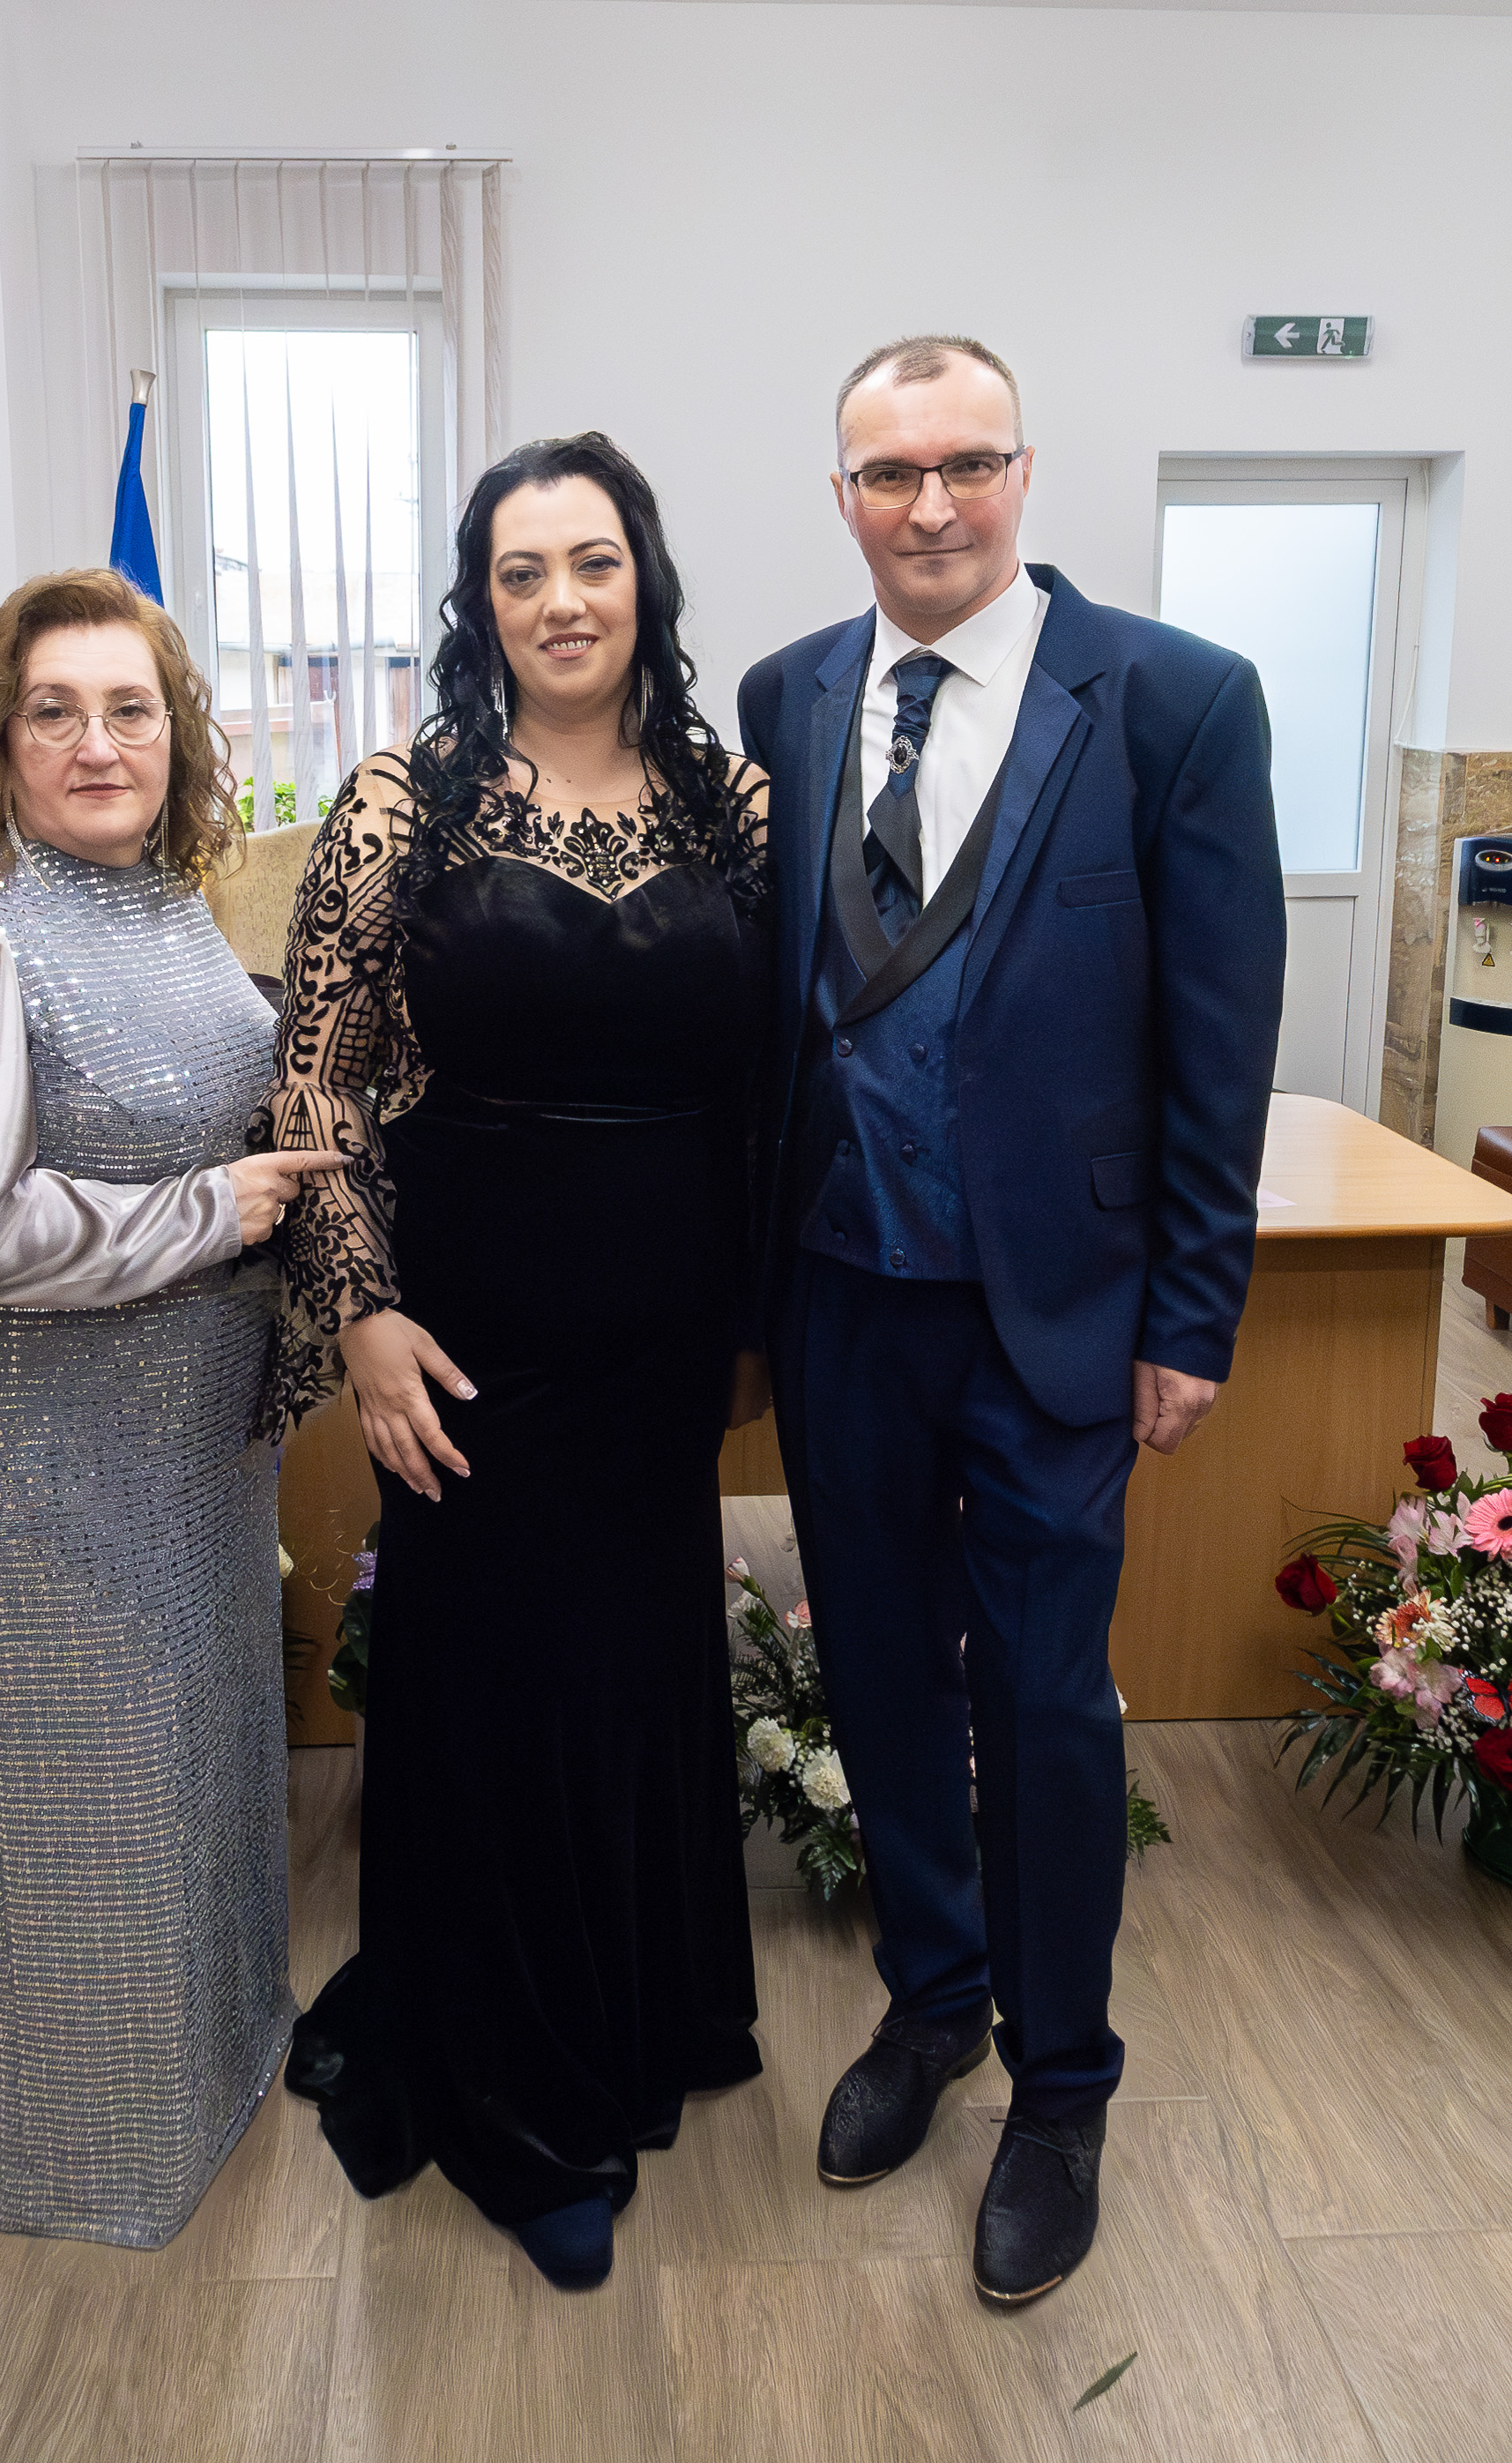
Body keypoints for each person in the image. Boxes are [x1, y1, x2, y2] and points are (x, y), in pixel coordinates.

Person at [738, 336, 1283, 2306]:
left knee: (1045, 1705)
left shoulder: (1173, 700)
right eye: (890, 473)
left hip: (1057, 1315)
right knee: (881, 1676)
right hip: (841, 1303)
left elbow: (1218, 1040)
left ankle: (1060, 2088)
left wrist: (1191, 1313)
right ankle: (932, 2000)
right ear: (842, 498)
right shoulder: (786, 696)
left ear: (1024, 473)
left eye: (966, 462)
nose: (931, 504)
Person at [257, 432, 767, 2292]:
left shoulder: (732, 799)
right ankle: (519, 2099)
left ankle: (643, 2005)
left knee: (634, 1665)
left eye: (592, 561)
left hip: (664, 1328)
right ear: (479, 605)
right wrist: (362, 1308)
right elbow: (311, 1079)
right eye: (520, 571)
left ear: (646, 579)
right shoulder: (407, 799)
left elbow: (767, 1074)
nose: (561, 600)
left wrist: (753, 1316)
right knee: (494, 1684)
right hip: (466, 1333)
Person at [0, 567, 342, 2249]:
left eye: (130, 709)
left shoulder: (162, 899)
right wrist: (205, 1213)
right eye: (53, 711)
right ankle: (77, 2142)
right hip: (41, 1445)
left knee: (191, 1752)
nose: (96, 744)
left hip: (191, 1438)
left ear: (175, 734)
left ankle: (211, 2066)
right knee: (74, 1781)